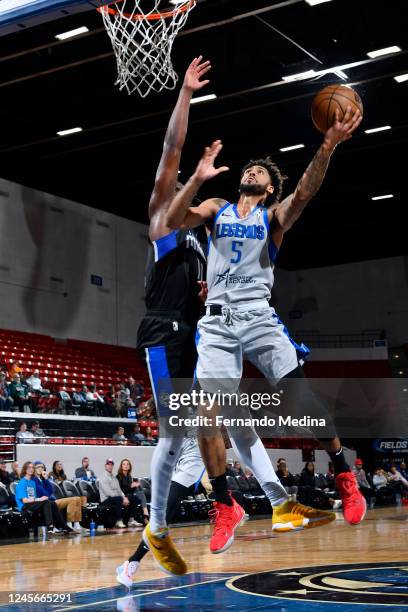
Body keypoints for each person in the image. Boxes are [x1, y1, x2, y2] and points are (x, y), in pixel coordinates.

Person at [166, 105, 365, 547]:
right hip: (217, 322)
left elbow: (306, 193)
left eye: (261, 171)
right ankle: (225, 506)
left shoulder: (271, 218)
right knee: (206, 417)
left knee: (302, 401)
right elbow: (175, 220)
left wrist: (328, 144)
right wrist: (196, 178)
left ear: (271, 186)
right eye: (249, 167)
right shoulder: (218, 208)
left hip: (258, 316)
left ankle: (343, 471)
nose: (253, 170)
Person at [133, 56, 212, 578]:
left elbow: (216, 210)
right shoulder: (162, 217)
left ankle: (169, 523)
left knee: (200, 434)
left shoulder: (200, 236)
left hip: (192, 334)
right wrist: (185, 93)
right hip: (161, 330)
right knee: (171, 433)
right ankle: (155, 530)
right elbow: (172, 149)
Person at [15, 461, 73, 534]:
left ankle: (63, 526)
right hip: (24, 506)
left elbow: (48, 492)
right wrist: (39, 499)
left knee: (52, 503)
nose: (31, 469)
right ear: (25, 469)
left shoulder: (32, 482)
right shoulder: (22, 483)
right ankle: (50, 526)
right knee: (46, 502)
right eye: (29, 467)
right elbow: (25, 501)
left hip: (33, 503)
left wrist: (40, 498)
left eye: (32, 467)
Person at [33, 462, 79, 532]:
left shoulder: (43, 479)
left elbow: (51, 490)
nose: (40, 469)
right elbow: (44, 493)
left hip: (51, 500)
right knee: (72, 500)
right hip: (44, 502)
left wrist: (45, 478)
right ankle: (68, 524)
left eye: (42, 467)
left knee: (77, 498)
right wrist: (47, 492)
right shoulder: (34, 480)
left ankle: (75, 523)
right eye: (38, 467)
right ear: (34, 469)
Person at [116, 459, 149, 527]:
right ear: (121, 466)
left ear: (130, 466)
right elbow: (120, 490)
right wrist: (131, 486)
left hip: (129, 494)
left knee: (139, 492)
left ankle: (137, 518)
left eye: (127, 464)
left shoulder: (129, 476)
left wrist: (135, 486)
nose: (126, 466)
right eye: (124, 464)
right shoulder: (118, 476)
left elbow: (130, 490)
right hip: (122, 495)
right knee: (138, 495)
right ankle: (146, 515)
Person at [99, 459, 129, 529]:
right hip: (105, 500)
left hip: (115, 498)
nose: (110, 466)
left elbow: (119, 490)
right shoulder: (103, 477)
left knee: (131, 498)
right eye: (108, 464)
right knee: (119, 499)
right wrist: (121, 498)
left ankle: (130, 519)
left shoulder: (114, 478)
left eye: (111, 465)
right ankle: (118, 520)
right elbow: (108, 492)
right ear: (105, 466)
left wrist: (124, 497)